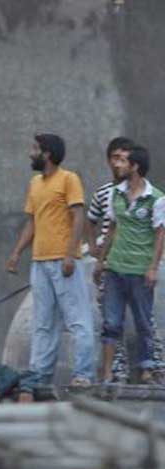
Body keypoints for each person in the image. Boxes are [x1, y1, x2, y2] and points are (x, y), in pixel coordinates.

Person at [5, 133, 95, 390]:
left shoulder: (69, 179)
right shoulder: (35, 183)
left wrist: (70, 254)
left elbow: (78, 216)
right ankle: (39, 374)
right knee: (43, 322)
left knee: (77, 320)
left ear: (47, 154)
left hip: (64, 262)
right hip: (40, 262)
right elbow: (32, 221)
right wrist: (16, 253)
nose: (30, 153)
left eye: (35, 149)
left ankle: (83, 373)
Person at [87, 137, 165, 382]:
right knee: (111, 322)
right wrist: (101, 261)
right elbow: (111, 229)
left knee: (143, 322)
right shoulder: (115, 195)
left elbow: (160, 233)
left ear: (136, 167)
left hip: (140, 269)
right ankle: (109, 372)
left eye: (124, 162)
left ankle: (147, 368)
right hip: (116, 268)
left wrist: (153, 267)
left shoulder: (156, 198)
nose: (118, 165)